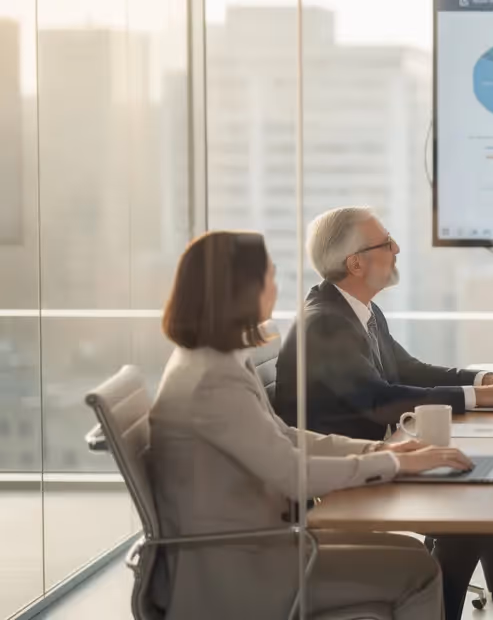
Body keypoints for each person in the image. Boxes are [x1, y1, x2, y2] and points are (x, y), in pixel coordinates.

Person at [275, 207, 493, 619]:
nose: (397, 249)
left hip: (379, 450)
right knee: (468, 508)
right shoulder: (325, 322)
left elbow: (409, 369)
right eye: (385, 243)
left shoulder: (359, 310)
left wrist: (484, 381)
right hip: (341, 477)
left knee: (479, 484)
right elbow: (380, 399)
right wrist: (478, 397)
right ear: (355, 262)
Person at [149, 231, 464, 620]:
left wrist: (378, 450)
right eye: (269, 277)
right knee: (419, 572)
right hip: (238, 569)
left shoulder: (212, 359)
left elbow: (283, 436)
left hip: (255, 544)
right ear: (241, 288)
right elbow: (291, 474)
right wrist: (395, 465)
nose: (275, 287)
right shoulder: (213, 380)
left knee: (415, 554)